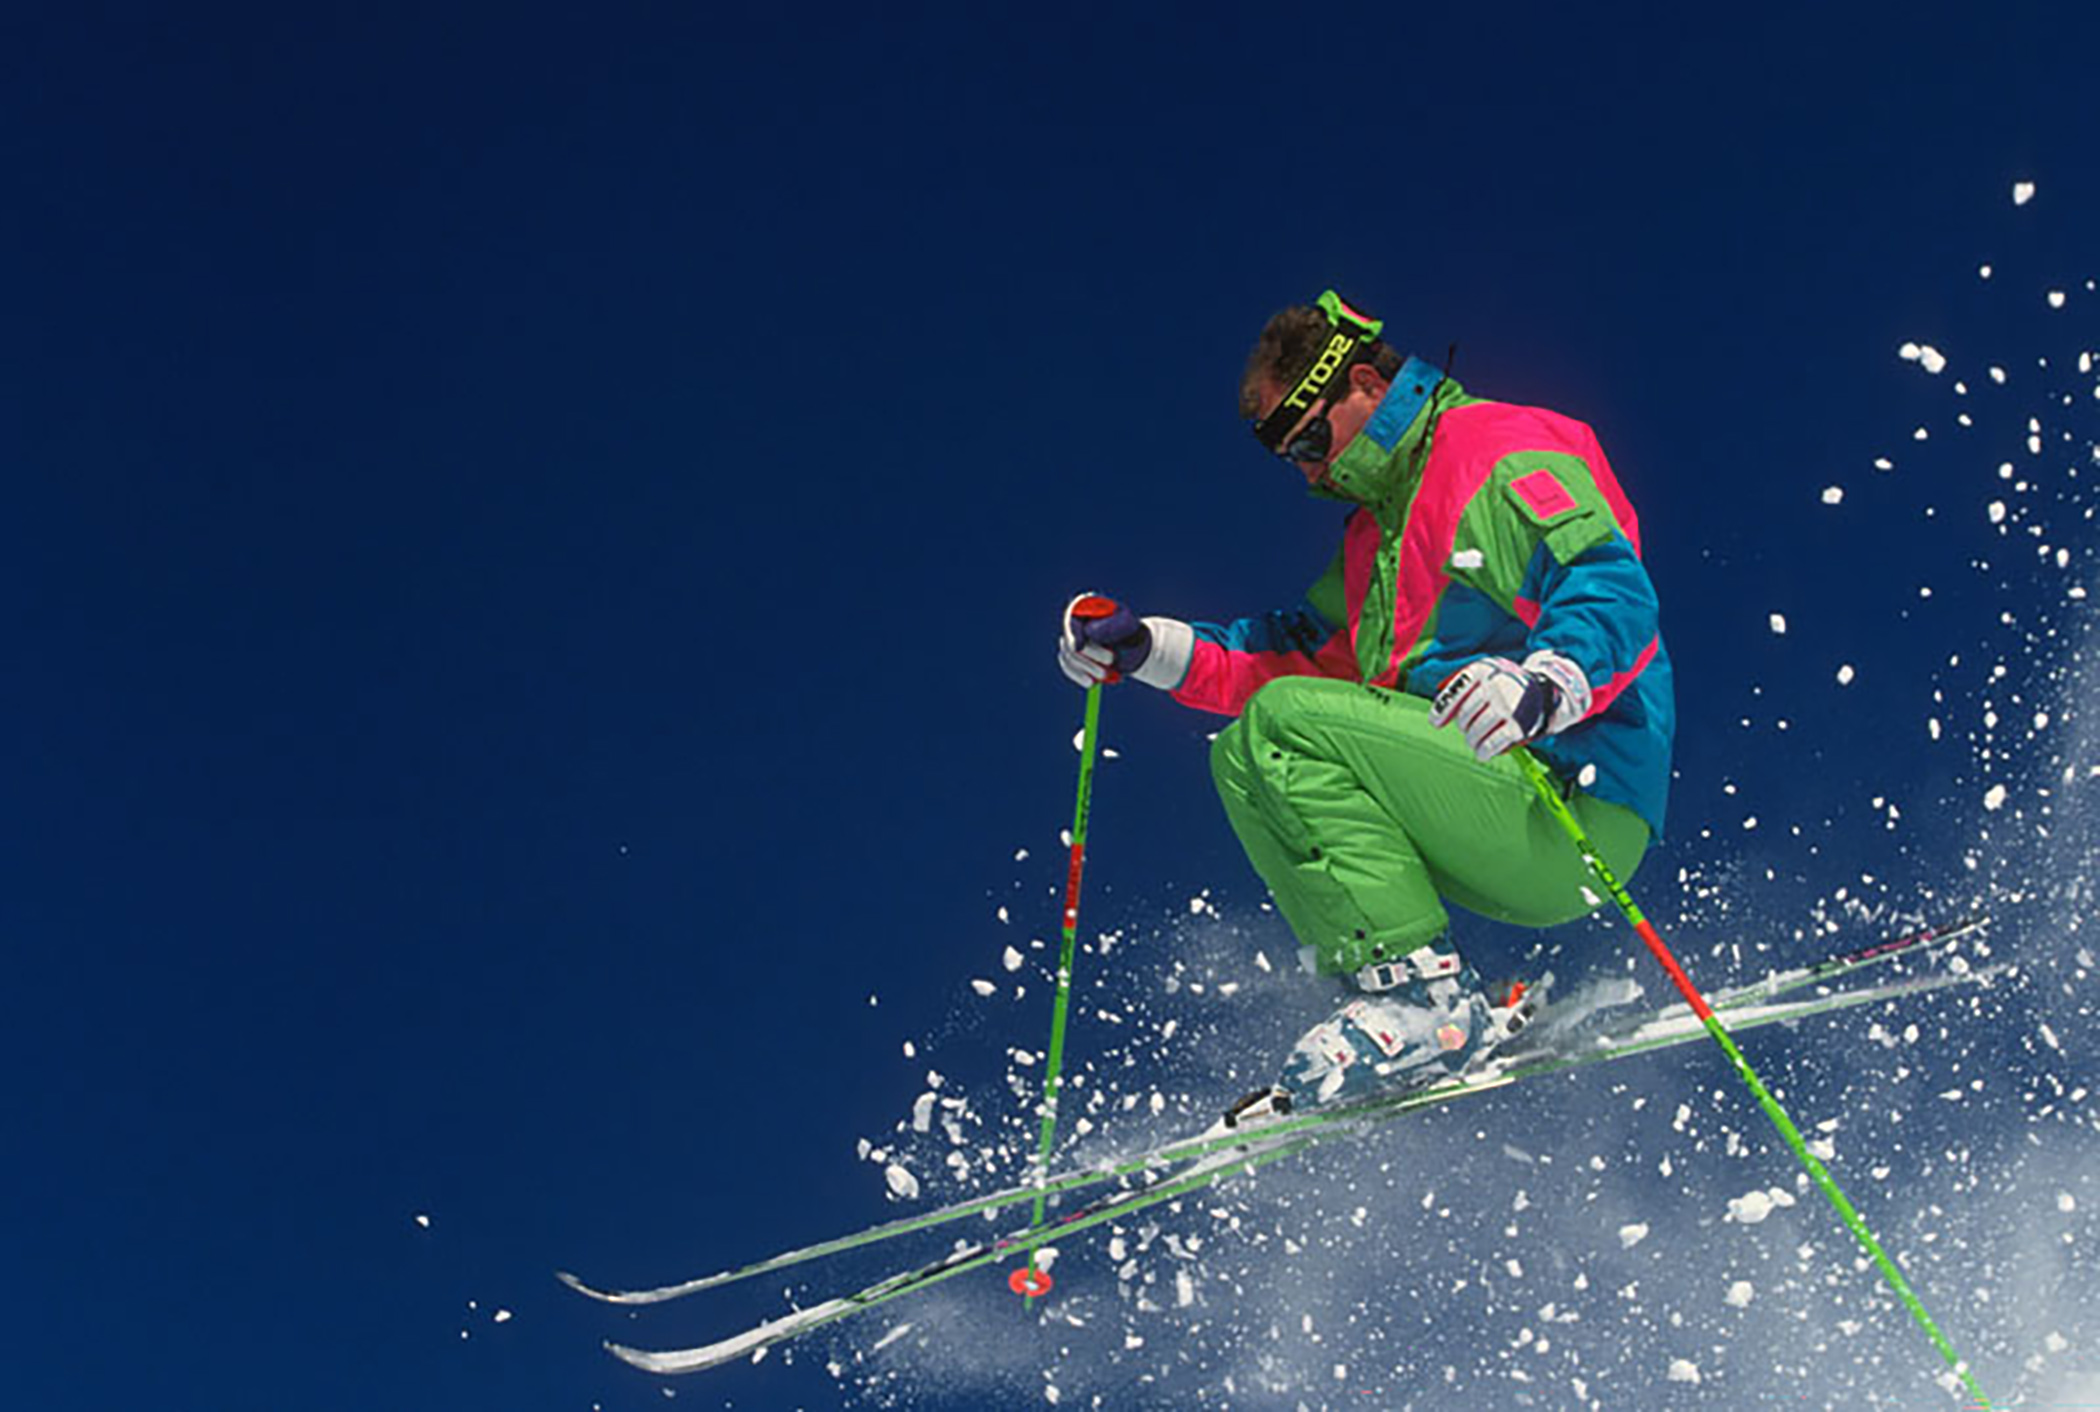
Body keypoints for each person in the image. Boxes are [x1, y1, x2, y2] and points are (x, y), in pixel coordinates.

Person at [1058, 290, 1674, 1121]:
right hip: (1491, 814)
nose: (1310, 470)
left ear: (1363, 385)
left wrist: (1544, 681)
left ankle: (1428, 1006)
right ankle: (1408, 1003)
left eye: (1310, 437)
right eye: (1288, 456)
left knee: (1280, 729)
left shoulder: (1495, 447)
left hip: (1575, 802)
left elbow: (1606, 580)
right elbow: (1287, 656)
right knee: (1245, 750)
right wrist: (1149, 648)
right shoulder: (1375, 541)